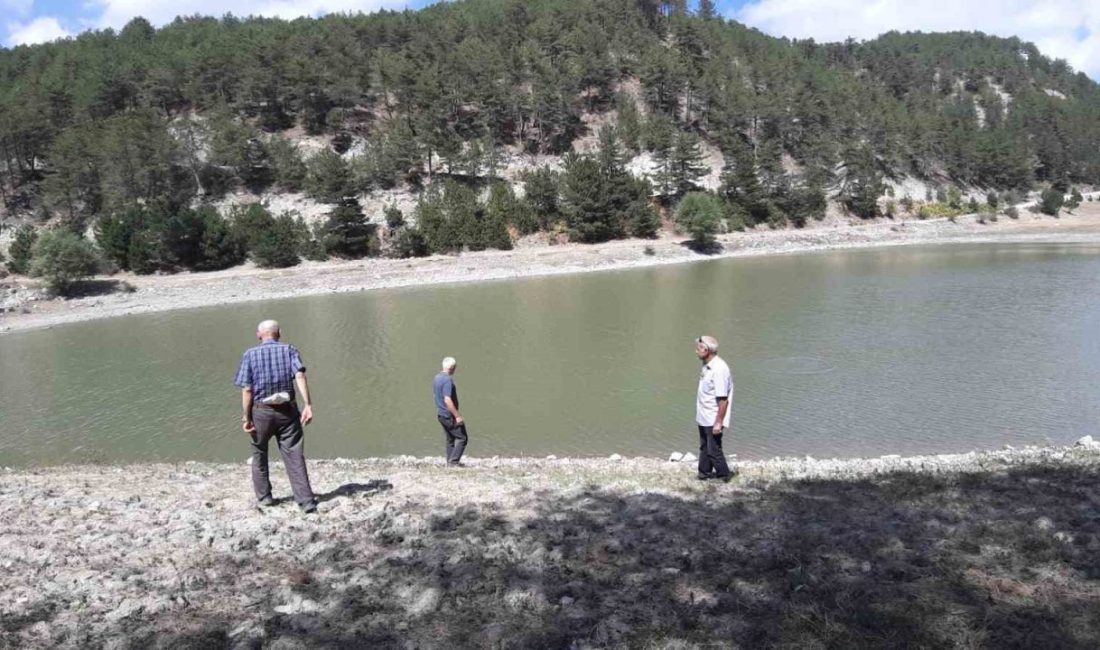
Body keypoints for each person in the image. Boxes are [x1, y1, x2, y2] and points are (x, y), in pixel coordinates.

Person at [233, 319, 318, 513]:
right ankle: (306, 501)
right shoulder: (289, 350)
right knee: (294, 454)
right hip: (288, 411)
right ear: (279, 332)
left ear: (259, 335)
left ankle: (265, 498)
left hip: (261, 411)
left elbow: (247, 389)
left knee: (259, 453)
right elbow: (300, 375)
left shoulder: (249, 354)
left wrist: (247, 417)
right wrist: (308, 405)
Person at [694, 335, 734, 482]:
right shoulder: (707, 365)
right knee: (704, 446)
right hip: (704, 415)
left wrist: (718, 422)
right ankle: (703, 473)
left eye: (698, 348)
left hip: (713, 417)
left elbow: (723, 399)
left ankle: (724, 476)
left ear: (706, 350)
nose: (696, 351)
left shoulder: (719, 369)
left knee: (714, 450)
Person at [433, 357, 467, 466]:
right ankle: (453, 462)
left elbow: (436, 395)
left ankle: (449, 462)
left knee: (450, 439)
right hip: (449, 415)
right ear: (452, 368)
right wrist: (457, 416)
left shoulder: (437, 378)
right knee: (462, 438)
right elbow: (447, 399)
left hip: (441, 414)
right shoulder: (447, 380)